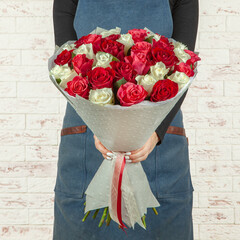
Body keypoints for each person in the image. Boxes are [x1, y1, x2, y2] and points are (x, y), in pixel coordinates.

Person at [52, 0, 198, 239]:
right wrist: (100, 128)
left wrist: (154, 133)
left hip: (159, 144)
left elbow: (185, 67)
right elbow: (65, 65)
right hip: (88, 142)